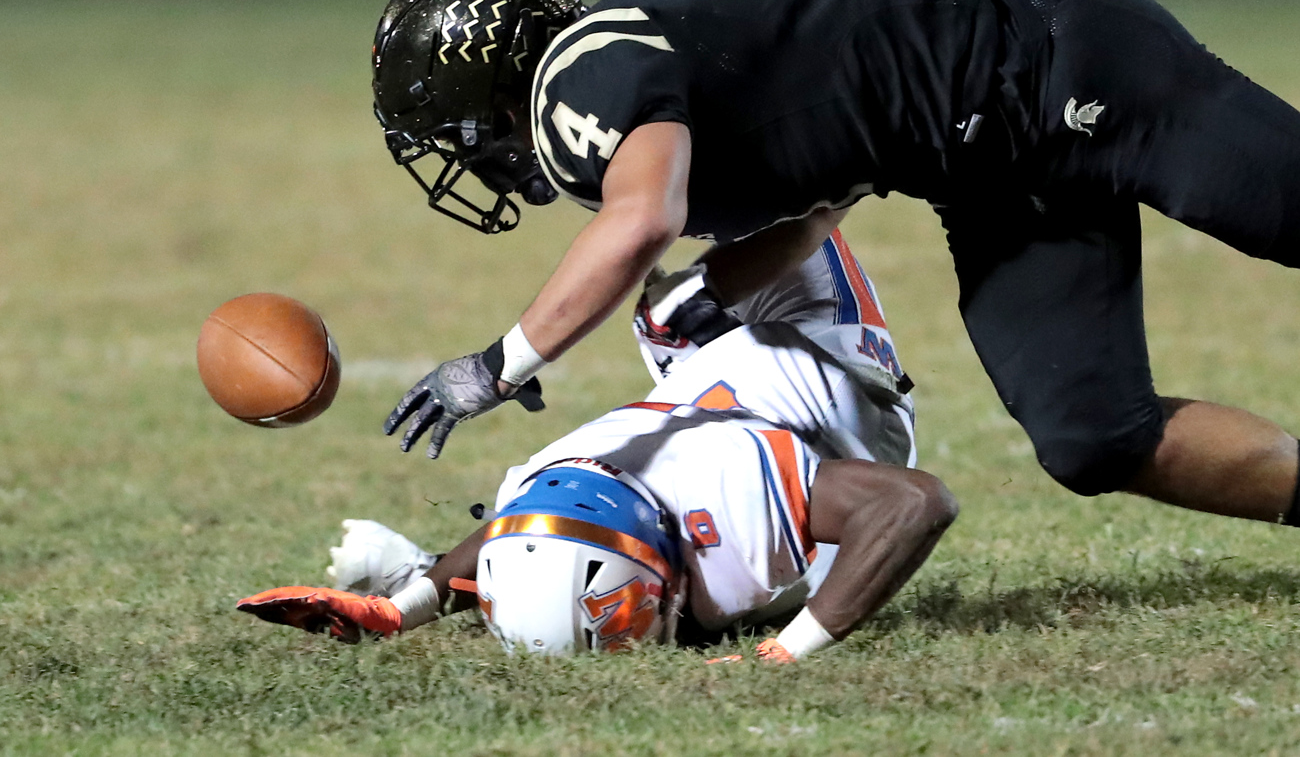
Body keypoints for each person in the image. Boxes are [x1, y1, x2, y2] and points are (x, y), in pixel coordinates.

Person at [373, 0, 1300, 535]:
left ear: (494, 85)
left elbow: (641, 221)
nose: (466, 158)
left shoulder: (579, 83)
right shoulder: (638, 48)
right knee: (1091, 437)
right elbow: (813, 202)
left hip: (1064, 69)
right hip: (989, 175)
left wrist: (497, 365)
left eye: (450, 128)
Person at [237, 236, 956, 659]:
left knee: (724, 257)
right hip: (825, 421)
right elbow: (911, 503)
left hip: (807, 373)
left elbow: (522, 530)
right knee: (678, 305)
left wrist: (406, 607)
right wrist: (790, 651)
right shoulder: (711, 508)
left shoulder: (719, 493)